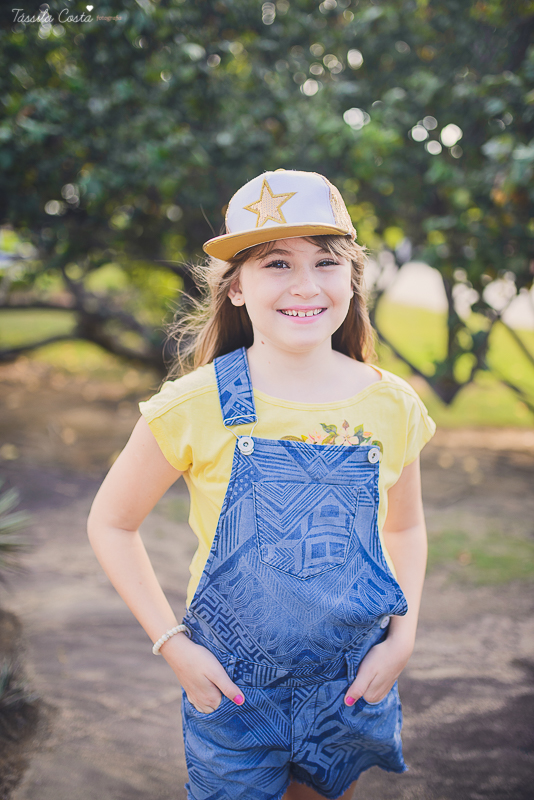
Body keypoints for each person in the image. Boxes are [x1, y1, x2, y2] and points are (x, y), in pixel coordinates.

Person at [87, 169, 436, 800]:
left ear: (351, 281)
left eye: (326, 263)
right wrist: (173, 647)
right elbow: (111, 523)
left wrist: (402, 640)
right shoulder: (195, 404)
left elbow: (405, 527)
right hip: (234, 690)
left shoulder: (392, 404)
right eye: (277, 263)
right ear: (238, 288)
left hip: (350, 681)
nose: (306, 285)